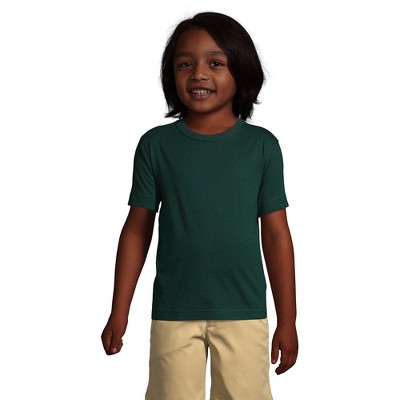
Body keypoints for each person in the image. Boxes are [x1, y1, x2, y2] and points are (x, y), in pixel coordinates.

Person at [101, 11, 298, 400]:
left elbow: (276, 235)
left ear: (240, 70)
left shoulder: (261, 147)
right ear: (171, 75)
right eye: (185, 64)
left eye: (215, 63)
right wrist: (119, 311)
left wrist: (287, 319)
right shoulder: (156, 146)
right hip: (174, 312)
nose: (199, 74)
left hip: (243, 311)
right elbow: (137, 229)